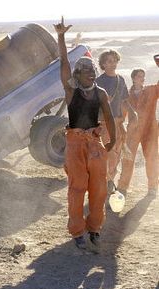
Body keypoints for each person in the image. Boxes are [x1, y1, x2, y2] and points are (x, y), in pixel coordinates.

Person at [54, 17, 116, 250]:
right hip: (75, 144)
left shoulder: (100, 92)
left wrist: (113, 141)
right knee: (77, 188)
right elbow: (63, 64)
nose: (90, 73)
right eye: (85, 71)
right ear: (77, 74)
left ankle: (95, 228)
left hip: (95, 143)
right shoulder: (71, 92)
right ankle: (78, 231)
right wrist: (61, 37)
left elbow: (109, 117)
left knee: (99, 189)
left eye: (92, 70)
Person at [117, 68, 159, 197]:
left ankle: (152, 187)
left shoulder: (151, 90)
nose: (143, 78)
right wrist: (120, 130)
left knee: (152, 158)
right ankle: (123, 187)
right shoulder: (127, 95)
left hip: (150, 130)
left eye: (144, 76)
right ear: (134, 78)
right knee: (128, 158)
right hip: (133, 131)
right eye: (140, 76)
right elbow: (122, 115)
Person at [95, 49, 133, 191]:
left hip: (117, 123)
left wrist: (131, 113)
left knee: (116, 155)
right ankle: (105, 184)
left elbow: (124, 100)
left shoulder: (120, 79)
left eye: (115, 60)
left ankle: (109, 182)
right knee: (108, 155)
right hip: (104, 124)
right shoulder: (98, 82)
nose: (113, 64)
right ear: (103, 64)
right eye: (109, 61)